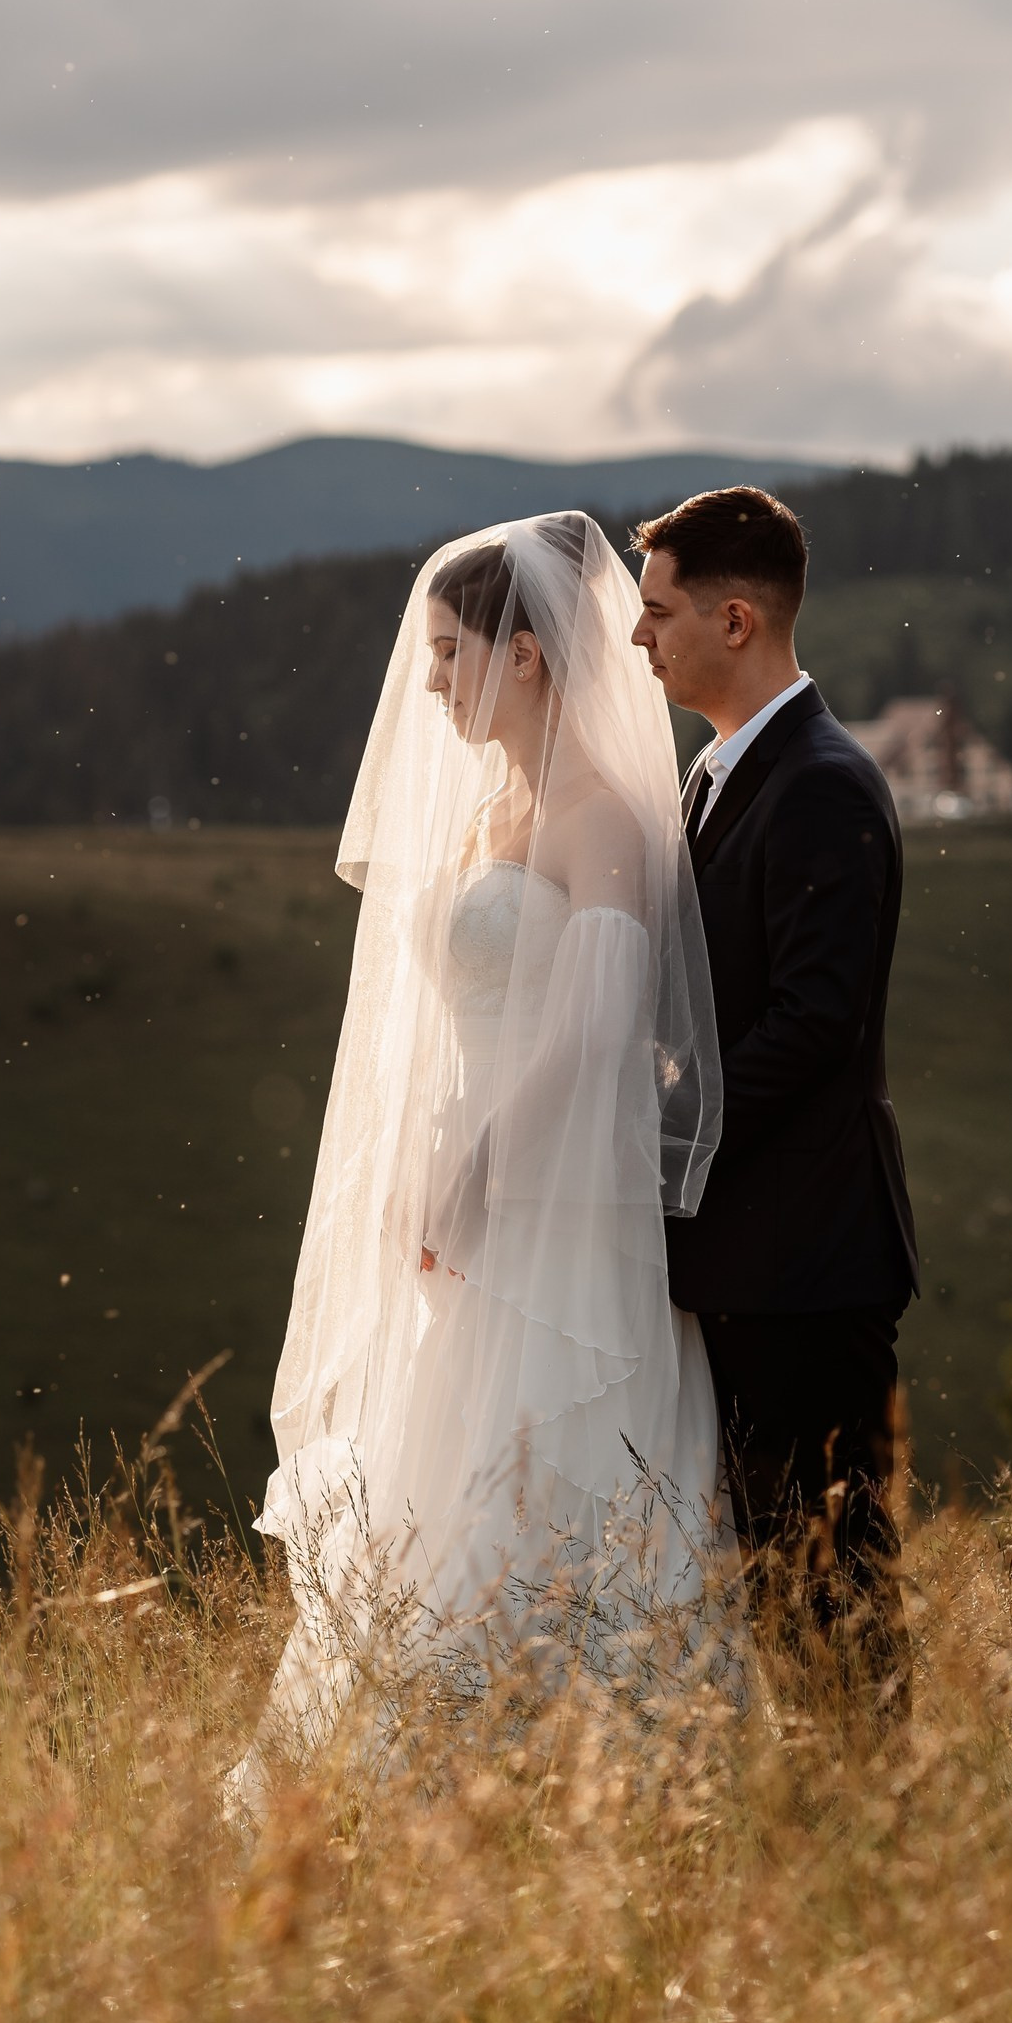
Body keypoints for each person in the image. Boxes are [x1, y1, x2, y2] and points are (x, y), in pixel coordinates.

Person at [225, 512, 734, 1824]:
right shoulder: (496, 810)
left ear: (526, 655)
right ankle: (446, 1797)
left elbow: (594, 1028)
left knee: (552, 1471)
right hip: (480, 1203)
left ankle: (597, 1788)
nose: (434, 682)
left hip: (561, 1212)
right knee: (449, 1482)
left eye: (453, 654)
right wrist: (428, 1167)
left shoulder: (601, 814)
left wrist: (486, 1169)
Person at [632, 486, 920, 1737]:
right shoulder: (715, 775)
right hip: (749, 1253)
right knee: (767, 1577)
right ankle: (831, 1815)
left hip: (803, 1257)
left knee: (831, 1582)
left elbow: (812, 1026)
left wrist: (654, 1141)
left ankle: (880, 1820)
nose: (640, 638)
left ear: (734, 617)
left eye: (658, 612)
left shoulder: (818, 784)